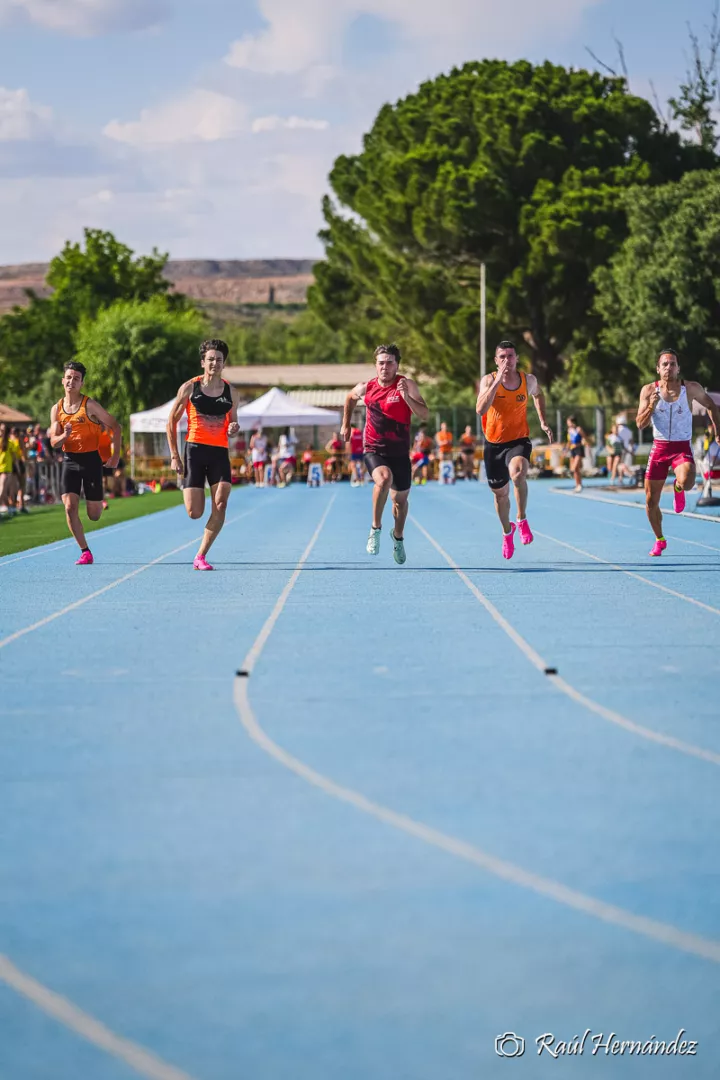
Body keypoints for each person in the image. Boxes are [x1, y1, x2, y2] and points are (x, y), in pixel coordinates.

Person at [341, 343, 429, 564]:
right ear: (375, 365)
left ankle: (398, 537)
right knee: (383, 478)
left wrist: (407, 398)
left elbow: (425, 414)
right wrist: (346, 425)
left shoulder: (406, 384)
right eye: (381, 363)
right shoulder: (367, 387)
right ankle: (375, 528)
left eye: (390, 363)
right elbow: (350, 398)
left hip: (399, 452)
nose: (385, 367)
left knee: (400, 501)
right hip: (374, 449)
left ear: (397, 365)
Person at [636, 348, 720, 556]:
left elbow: (711, 405)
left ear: (678, 368)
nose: (669, 367)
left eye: (672, 364)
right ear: (658, 369)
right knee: (650, 501)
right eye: (665, 364)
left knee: (688, 480)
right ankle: (659, 539)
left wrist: (718, 432)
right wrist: (651, 407)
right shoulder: (648, 391)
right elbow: (639, 424)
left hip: (681, 447)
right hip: (659, 448)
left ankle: (679, 487)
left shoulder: (690, 389)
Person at [167, 339, 242, 571]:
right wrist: (174, 456)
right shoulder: (190, 388)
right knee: (194, 512)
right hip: (194, 451)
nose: (214, 363)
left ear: (224, 364)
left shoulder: (232, 392)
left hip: (219, 452)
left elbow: (233, 422)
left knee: (220, 502)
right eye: (210, 359)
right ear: (203, 362)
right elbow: (171, 421)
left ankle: (200, 556)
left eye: (219, 360)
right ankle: (192, 489)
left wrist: (233, 428)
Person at [476, 340, 553, 559]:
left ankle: (521, 518)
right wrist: (497, 381)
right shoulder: (488, 380)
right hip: (493, 445)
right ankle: (507, 532)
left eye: (510, 356)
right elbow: (480, 409)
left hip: (518, 440)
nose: (506, 360)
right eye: (502, 357)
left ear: (516, 358)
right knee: (500, 496)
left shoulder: (527, 380)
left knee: (519, 473)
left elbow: (538, 395)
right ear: (496, 360)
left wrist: (543, 421)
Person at [49, 360, 121, 564]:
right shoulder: (57, 409)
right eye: (69, 377)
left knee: (95, 515)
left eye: (76, 379)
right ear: (63, 381)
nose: (72, 381)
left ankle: (97, 498)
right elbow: (54, 441)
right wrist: (64, 437)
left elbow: (116, 426)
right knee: (69, 507)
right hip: (70, 460)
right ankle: (85, 551)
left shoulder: (89, 405)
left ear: (82, 383)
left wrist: (114, 456)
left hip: (91, 461)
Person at [565, 416, 587, 493]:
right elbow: (570, 441)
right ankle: (578, 485)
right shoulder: (569, 430)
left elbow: (585, 438)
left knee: (574, 467)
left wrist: (583, 443)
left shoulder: (579, 429)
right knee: (576, 470)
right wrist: (566, 450)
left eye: (569, 422)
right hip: (573, 450)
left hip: (579, 449)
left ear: (573, 422)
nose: (568, 424)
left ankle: (579, 484)